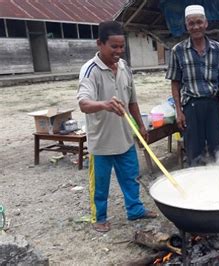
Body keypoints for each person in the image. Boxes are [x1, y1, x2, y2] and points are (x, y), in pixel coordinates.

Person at [77, 21, 157, 233]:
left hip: (125, 138)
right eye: (114, 46)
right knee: (100, 185)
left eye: (122, 46)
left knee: (132, 178)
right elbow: (83, 104)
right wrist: (104, 104)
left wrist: (141, 125)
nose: (119, 51)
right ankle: (99, 217)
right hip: (101, 142)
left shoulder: (124, 68)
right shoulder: (90, 70)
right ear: (99, 44)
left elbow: (132, 101)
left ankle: (135, 210)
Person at [166, 4, 219, 166]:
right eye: (191, 23)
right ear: (186, 26)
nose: (196, 26)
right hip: (191, 107)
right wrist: (179, 112)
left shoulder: (218, 49)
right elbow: (175, 84)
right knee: (193, 152)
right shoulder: (178, 51)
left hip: (213, 106)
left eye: (199, 22)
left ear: (206, 24)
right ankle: (196, 188)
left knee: (217, 151)